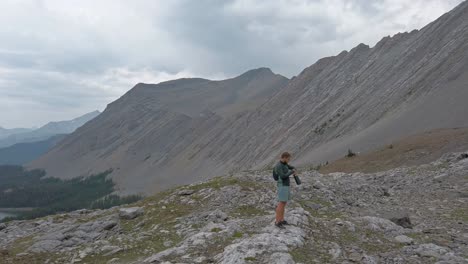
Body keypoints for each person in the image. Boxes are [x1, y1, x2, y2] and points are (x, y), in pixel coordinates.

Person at [273, 152, 297, 228]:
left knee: (284, 203)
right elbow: (283, 176)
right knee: (281, 203)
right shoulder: (279, 166)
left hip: (286, 185)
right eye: (288, 159)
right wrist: (291, 172)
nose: (289, 160)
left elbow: (290, 166)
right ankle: (277, 221)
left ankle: (282, 219)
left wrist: (293, 168)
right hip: (282, 185)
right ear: (284, 158)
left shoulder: (284, 164)